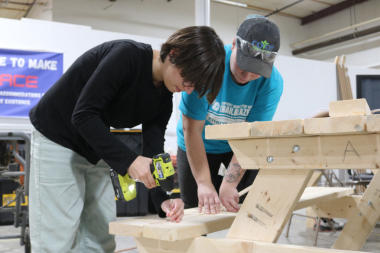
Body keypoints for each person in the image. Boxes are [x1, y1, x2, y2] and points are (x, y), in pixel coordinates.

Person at [28, 26, 226, 253]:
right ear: (173, 53)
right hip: (57, 135)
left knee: (100, 237)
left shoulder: (164, 98)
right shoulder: (127, 56)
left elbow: (154, 152)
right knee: (57, 239)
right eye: (188, 80)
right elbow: (83, 114)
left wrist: (163, 199)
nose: (188, 90)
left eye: (195, 86)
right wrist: (130, 161)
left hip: (95, 144)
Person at [176, 15, 283, 214]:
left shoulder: (272, 83)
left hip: (238, 144)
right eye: (245, 66)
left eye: (256, 71)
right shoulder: (208, 67)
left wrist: (229, 183)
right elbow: (192, 130)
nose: (248, 76)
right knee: (195, 209)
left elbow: (252, 136)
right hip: (197, 142)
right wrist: (204, 183)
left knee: (251, 204)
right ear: (234, 44)